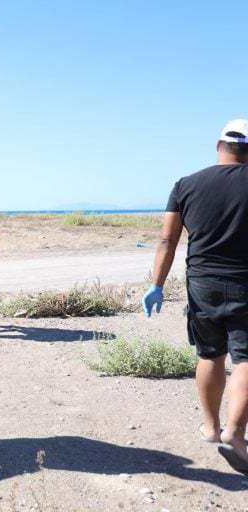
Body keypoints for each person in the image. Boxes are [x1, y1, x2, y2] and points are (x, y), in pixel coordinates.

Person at [142, 119, 248, 476]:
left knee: (209, 355)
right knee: (246, 359)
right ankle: (235, 434)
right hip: (246, 283)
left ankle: (211, 427)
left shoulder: (186, 184)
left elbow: (167, 240)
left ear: (218, 146)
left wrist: (156, 284)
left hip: (201, 284)